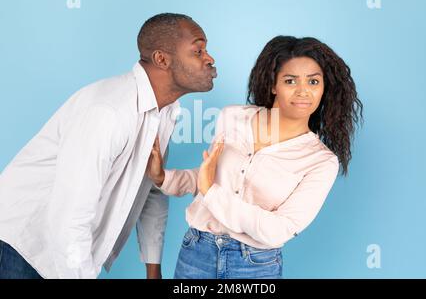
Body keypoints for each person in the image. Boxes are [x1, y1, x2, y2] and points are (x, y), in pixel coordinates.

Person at [0, 13, 217, 279]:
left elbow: (149, 188)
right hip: (23, 243)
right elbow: (69, 216)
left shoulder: (164, 112)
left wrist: (153, 268)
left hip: (63, 246)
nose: (210, 59)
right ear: (162, 59)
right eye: (198, 50)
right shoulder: (109, 111)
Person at [147, 36, 363, 279]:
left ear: (324, 89)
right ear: (273, 85)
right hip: (196, 252)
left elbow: (279, 229)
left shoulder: (321, 161)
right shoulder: (232, 117)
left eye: (313, 81)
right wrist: (162, 177)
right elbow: (209, 177)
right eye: (290, 80)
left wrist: (211, 192)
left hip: (254, 265)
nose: (303, 91)